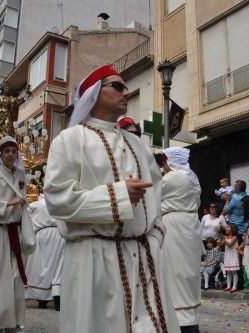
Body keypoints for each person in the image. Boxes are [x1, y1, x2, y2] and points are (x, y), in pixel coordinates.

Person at [44, 64, 180, 333]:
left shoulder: (137, 144)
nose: (126, 92)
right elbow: (58, 199)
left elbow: (156, 196)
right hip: (95, 259)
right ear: (95, 93)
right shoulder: (69, 140)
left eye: (125, 86)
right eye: (117, 86)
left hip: (143, 258)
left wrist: (154, 236)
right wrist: (118, 196)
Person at [0, 136, 36, 332]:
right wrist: (8, 204)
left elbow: (24, 201)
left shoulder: (21, 174)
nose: (11, 154)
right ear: (1, 155)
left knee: (14, 277)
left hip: (15, 231)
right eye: (7, 151)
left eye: (14, 151)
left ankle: (13, 322)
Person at [160, 147, 202, 333]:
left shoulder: (173, 177)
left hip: (175, 226)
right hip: (191, 225)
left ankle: (180, 323)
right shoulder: (193, 177)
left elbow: (150, 195)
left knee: (174, 272)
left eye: (164, 161)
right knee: (188, 274)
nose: (163, 165)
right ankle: (189, 318)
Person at [25, 189, 65, 311]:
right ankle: (45, 297)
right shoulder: (35, 205)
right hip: (50, 236)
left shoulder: (58, 203)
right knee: (48, 266)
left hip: (52, 235)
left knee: (51, 267)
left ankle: (53, 295)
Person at [222, 224, 239, 293]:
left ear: (232, 229)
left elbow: (229, 245)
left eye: (228, 227)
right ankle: (228, 286)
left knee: (234, 271)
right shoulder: (225, 237)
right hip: (227, 256)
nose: (226, 228)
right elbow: (220, 245)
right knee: (228, 271)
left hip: (233, 256)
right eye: (226, 227)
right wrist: (221, 240)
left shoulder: (235, 237)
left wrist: (223, 239)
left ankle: (234, 287)